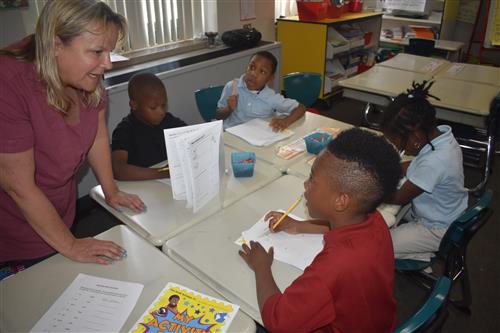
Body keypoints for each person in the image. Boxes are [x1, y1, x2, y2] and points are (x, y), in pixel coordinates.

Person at [0, 0, 144, 273]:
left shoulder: (87, 72)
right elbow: (18, 186)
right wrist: (70, 245)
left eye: (109, 52)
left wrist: (111, 190)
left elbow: (97, 135)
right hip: (14, 231)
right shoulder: (7, 82)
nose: (108, 64)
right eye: (97, 51)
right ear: (55, 45)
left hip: (59, 213)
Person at [239, 128, 402, 333]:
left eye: (313, 180)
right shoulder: (374, 219)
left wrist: (261, 267)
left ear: (341, 201)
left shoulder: (334, 266)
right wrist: (298, 226)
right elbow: (342, 226)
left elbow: (279, 322)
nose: (305, 184)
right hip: (378, 322)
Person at [381, 80, 468, 261]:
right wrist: (385, 168)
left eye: (397, 143)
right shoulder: (441, 139)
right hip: (445, 212)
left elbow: (399, 197)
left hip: (436, 228)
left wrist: (366, 188)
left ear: (416, 137)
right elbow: (413, 167)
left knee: (376, 246)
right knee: (388, 222)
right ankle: (414, 250)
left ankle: (422, 254)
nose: (398, 149)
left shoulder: (435, 161)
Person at [111, 72, 187, 180]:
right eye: (153, 107)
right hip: (141, 188)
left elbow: (192, 136)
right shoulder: (124, 131)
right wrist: (163, 173)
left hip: (167, 184)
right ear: (134, 105)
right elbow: (119, 170)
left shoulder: (168, 120)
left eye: (163, 105)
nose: (161, 112)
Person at [216, 51, 305, 131]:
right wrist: (228, 109)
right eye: (252, 67)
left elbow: (300, 108)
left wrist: (285, 122)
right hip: (229, 135)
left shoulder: (271, 97)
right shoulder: (232, 87)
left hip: (255, 140)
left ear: (270, 78)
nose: (253, 73)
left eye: (262, 72)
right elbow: (218, 115)